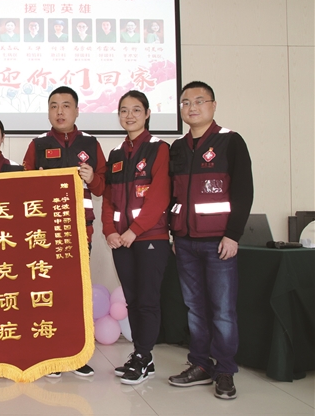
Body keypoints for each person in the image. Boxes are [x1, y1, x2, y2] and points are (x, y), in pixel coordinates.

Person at [168, 81, 253, 400]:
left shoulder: (230, 141)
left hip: (219, 242)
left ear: (213, 106)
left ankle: (225, 370)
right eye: (185, 102)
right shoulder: (178, 147)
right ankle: (200, 365)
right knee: (195, 308)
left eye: (199, 101)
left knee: (222, 310)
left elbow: (244, 191)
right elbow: (173, 195)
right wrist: (173, 231)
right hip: (184, 241)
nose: (192, 107)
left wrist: (233, 235)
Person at [22, 85, 107, 378]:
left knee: (75, 295)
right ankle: (50, 352)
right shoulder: (38, 145)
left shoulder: (91, 144)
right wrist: (35, 182)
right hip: (44, 235)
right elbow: (23, 189)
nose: (60, 112)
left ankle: (76, 354)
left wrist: (92, 177)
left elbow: (102, 187)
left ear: (77, 111)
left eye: (66, 105)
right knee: (47, 294)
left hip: (81, 232)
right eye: (54, 106)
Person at [101, 90, 171, 385]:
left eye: (136, 110)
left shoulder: (159, 149)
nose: (129, 116)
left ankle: (143, 354)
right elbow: (108, 197)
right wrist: (109, 231)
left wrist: (134, 230)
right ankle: (142, 356)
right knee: (132, 299)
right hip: (121, 241)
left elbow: (160, 196)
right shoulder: (116, 154)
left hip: (150, 238)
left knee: (147, 300)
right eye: (124, 111)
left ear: (147, 113)